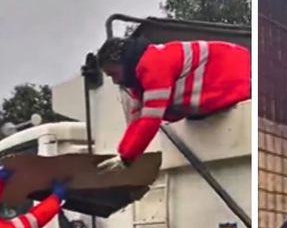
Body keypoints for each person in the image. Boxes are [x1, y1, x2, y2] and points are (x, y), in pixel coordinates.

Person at [94, 35, 251, 172]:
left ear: (124, 63)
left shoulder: (153, 65)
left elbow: (151, 121)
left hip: (230, 73)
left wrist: (127, 159)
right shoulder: (138, 81)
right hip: (230, 68)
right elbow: (137, 122)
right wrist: (122, 154)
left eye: (114, 74)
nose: (115, 81)